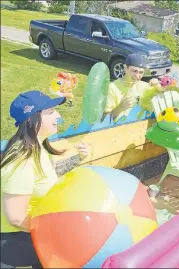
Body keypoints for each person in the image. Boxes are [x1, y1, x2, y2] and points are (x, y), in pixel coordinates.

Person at [0, 91, 89, 268]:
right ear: (32, 119)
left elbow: (45, 177)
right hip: (16, 241)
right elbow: (16, 218)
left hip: (30, 233)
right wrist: (53, 233)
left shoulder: (37, 146)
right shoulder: (22, 160)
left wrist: (77, 159)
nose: (59, 115)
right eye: (50, 112)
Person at [104, 54, 165, 122]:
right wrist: (120, 108)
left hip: (137, 128)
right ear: (125, 68)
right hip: (116, 129)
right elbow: (104, 120)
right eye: (134, 71)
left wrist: (158, 85)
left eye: (141, 72)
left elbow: (164, 96)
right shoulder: (112, 88)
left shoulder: (142, 86)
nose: (137, 76)